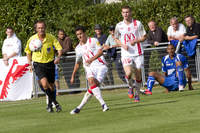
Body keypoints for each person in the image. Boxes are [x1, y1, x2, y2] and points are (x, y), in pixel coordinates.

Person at [25, 20, 62, 113]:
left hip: (50, 64)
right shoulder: (32, 39)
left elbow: (59, 49)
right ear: (36, 29)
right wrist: (30, 63)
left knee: (52, 87)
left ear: (45, 28)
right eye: (39, 28)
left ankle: (50, 105)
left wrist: (58, 57)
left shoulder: (51, 37)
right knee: (44, 84)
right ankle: (56, 103)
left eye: (42, 27)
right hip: (38, 64)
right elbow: (27, 51)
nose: (41, 29)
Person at [70, 26, 109, 114]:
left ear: (84, 33)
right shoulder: (78, 48)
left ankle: (79, 107)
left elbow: (100, 52)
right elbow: (78, 62)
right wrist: (73, 75)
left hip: (101, 66)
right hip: (89, 68)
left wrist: (92, 59)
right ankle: (103, 104)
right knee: (92, 82)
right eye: (77, 35)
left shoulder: (93, 40)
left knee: (93, 87)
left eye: (81, 34)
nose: (79, 36)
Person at [114, 5, 147, 102]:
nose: (125, 14)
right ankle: (130, 87)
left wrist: (136, 40)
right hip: (126, 53)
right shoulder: (119, 25)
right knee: (128, 74)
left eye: (127, 12)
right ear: (121, 13)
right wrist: (122, 45)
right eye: (124, 12)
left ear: (131, 12)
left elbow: (144, 36)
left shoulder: (138, 23)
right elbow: (115, 38)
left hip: (138, 53)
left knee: (138, 75)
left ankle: (137, 94)